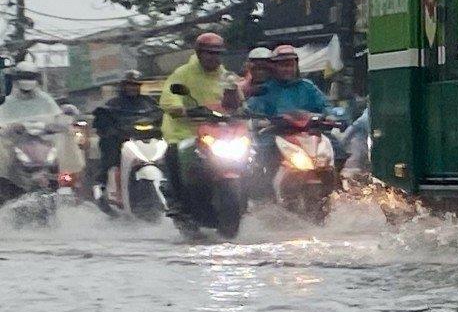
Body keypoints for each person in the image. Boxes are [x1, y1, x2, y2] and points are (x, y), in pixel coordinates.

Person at [158, 32, 239, 205]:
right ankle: (177, 201)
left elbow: (238, 103)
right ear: (199, 53)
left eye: (217, 53)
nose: (213, 57)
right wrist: (178, 108)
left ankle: (251, 196)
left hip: (217, 133)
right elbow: (169, 95)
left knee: (249, 154)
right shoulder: (183, 73)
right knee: (174, 156)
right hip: (184, 132)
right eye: (209, 53)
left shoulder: (226, 76)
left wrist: (240, 105)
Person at [91, 70, 158, 200]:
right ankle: (103, 185)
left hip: (147, 141)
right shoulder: (112, 105)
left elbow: (160, 116)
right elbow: (101, 120)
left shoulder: (149, 103)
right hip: (121, 142)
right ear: (123, 86)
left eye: (135, 85)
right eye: (129, 85)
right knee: (110, 152)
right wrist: (110, 130)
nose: (133, 88)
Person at [244, 44, 331, 120]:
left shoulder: (308, 87)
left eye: (290, 65)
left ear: (296, 66)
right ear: (274, 67)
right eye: (282, 65)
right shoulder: (265, 90)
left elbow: (326, 106)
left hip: (309, 133)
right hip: (276, 134)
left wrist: (331, 116)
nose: (287, 69)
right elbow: (252, 112)